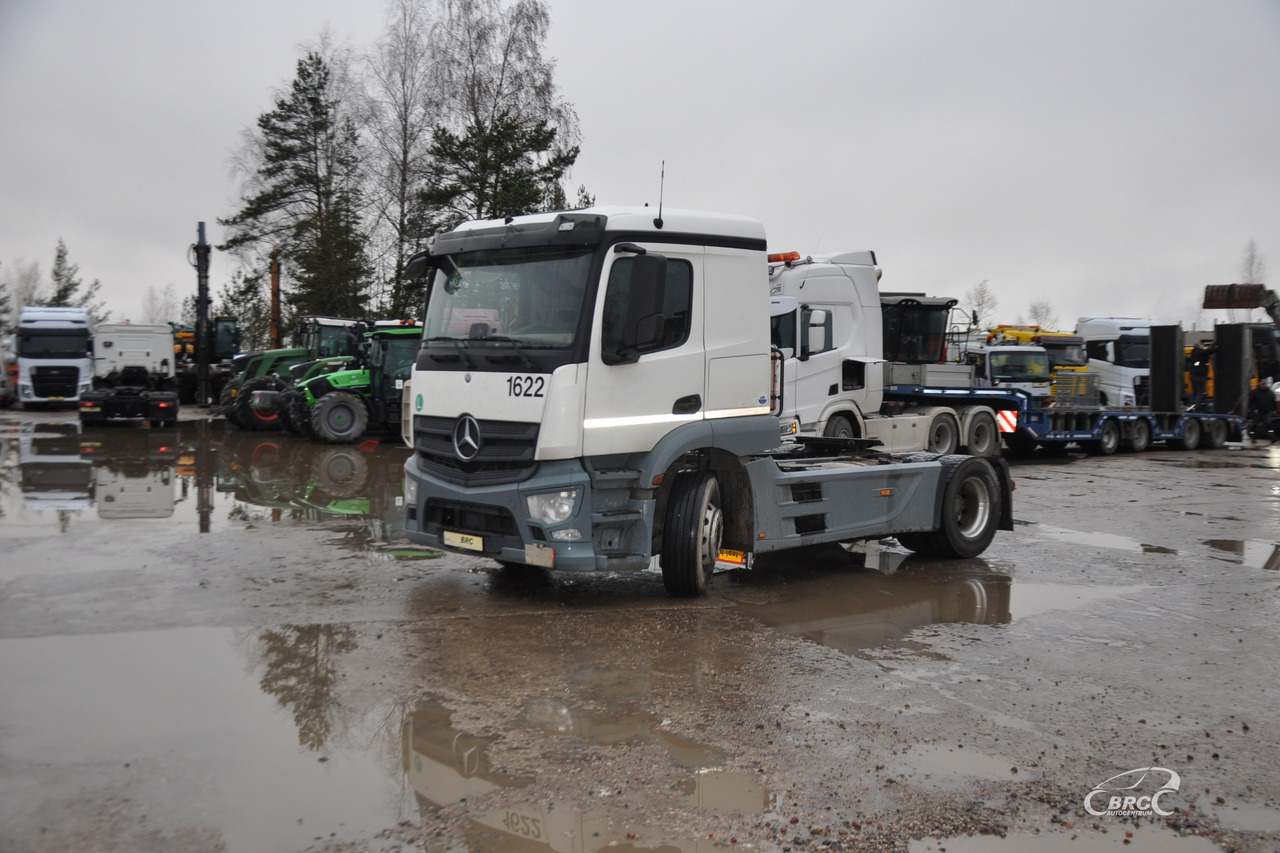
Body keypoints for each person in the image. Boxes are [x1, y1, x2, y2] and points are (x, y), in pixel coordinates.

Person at [1188, 340, 1217, 409]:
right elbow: (1209, 351)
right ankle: (1195, 406)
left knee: (1196, 392)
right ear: (1199, 346)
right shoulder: (1200, 352)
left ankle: (1192, 406)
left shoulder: (1194, 353)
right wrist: (1216, 346)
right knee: (1201, 392)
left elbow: (1206, 351)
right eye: (1202, 345)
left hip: (1194, 376)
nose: (1203, 347)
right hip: (1200, 376)